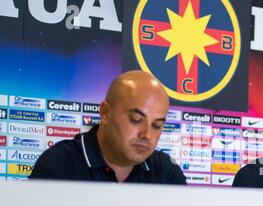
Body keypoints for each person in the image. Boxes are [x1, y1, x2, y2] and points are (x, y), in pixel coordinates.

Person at [29, 70, 186, 184]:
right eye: (136, 119)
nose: (147, 135)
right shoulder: (59, 165)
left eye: (156, 125)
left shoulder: (166, 172)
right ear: (105, 113)